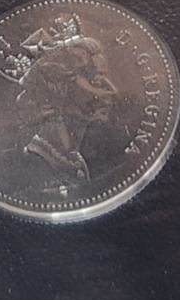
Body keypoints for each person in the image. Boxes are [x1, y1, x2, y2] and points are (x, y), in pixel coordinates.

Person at [12, 16, 118, 185]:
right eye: (93, 83)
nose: (109, 93)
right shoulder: (37, 163)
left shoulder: (72, 159)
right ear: (59, 90)